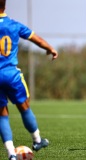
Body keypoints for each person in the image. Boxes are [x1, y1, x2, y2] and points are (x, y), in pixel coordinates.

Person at [0, 0, 58, 159]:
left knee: (1, 114)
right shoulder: (13, 25)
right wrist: (50, 49)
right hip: (11, 74)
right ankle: (37, 140)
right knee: (24, 106)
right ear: (5, 5)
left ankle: (11, 154)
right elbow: (36, 39)